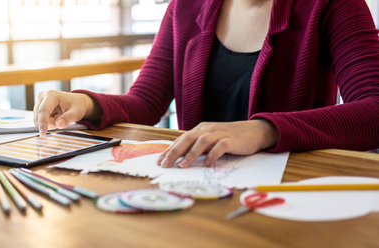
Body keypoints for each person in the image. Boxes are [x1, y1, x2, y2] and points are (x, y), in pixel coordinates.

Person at [34, 0, 379, 169]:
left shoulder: (335, 5)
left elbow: (375, 108)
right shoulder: (186, 6)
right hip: (200, 188)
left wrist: (262, 131)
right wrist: (86, 103)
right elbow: (145, 102)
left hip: (286, 197)